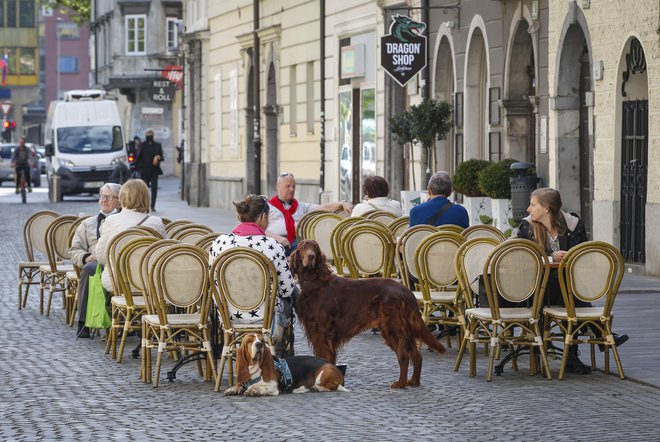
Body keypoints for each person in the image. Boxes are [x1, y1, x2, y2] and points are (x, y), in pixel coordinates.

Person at [517, 187, 629, 373]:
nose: (528, 209)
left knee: (566, 284)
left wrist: (570, 257)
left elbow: (583, 258)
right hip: (535, 288)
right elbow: (522, 257)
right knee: (566, 285)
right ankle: (598, 332)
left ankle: (574, 353)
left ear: (546, 209)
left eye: (533, 205)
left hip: (567, 286)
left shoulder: (573, 225)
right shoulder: (527, 226)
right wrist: (551, 255)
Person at [209, 194, 297, 356]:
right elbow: (286, 290)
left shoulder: (219, 243)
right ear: (263, 216)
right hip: (266, 318)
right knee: (292, 293)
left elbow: (212, 283)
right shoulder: (272, 246)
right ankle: (281, 360)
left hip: (229, 316)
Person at [95, 179, 167, 293]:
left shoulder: (111, 220)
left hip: (118, 282)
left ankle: (116, 309)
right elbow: (164, 254)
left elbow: (100, 257)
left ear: (122, 197)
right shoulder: (156, 222)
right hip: (149, 281)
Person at [69, 183, 121, 338]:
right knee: (90, 268)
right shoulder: (87, 224)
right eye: (102, 196)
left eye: (109, 197)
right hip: (96, 264)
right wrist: (85, 257)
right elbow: (74, 250)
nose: (104, 200)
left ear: (119, 201)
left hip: (118, 264)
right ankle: (84, 322)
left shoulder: (122, 221)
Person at [266, 172, 352, 254]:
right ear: (278, 187)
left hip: (298, 243)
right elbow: (259, 228)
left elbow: (323, 207)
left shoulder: (301, 206)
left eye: (293, 186)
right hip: (275, 242)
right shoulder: (268, 207)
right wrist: (278, 238)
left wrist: (342, 203)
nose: (292, 189)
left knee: (313, 252)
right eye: (288, 186)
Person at [136, 128, 163, 211]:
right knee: (144, 190)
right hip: (144, 171)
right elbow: (138, 157)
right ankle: (145, 205)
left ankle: (152, 206)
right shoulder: (142, 145)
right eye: (147, 136)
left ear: (153, 136)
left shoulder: (157, 145)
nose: (149, 137)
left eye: (150, 136)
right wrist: (139, 169)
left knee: (154, 188)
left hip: (154, 171)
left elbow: (162, 157)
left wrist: (158, 157)